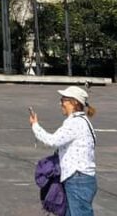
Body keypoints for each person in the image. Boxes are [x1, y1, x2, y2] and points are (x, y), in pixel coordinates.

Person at [29, 86, 97, 216]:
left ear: (74, 102)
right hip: (80, 178)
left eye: (63, 100)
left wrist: (35, 126)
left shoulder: (76, 123)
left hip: (78, 179)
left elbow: (53, 140)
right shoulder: (82, 121)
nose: (60, 103)